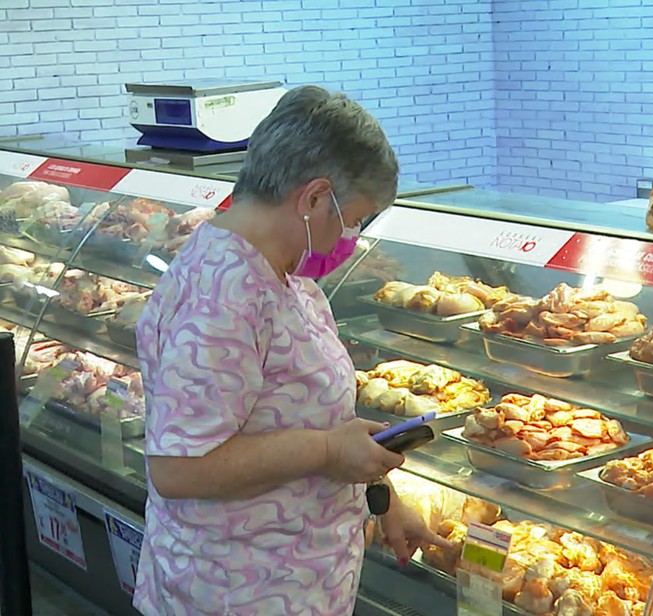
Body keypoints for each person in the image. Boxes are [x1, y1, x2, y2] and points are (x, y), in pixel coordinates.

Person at [132, 85, 449, 616]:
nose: (351, 236)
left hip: (296, 586)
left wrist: (380, 497)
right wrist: (327, 450)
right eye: (355, 219)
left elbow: (299, 412)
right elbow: (178, 468)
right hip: (235, 592)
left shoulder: (284, 275)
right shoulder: (224, 295)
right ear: (314, 198)